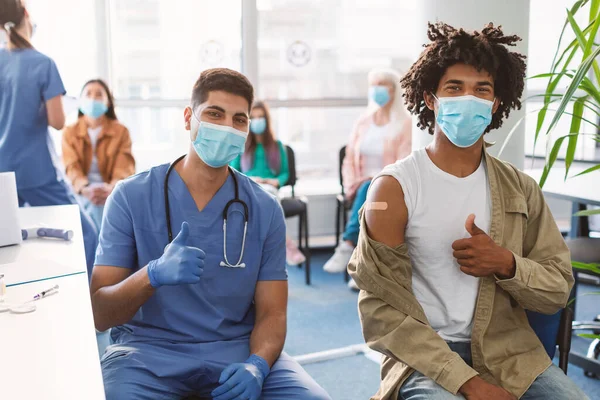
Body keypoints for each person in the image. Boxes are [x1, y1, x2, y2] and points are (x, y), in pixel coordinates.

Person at [348, 22, 588, 400]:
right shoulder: (393, 189)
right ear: (431, 99)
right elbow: (381, 311)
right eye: (454, 88)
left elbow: (557, 289)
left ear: (495, 104)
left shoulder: (520, 189)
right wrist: (470, 385)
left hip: (509, 353)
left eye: (482, 90)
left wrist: (506, 263)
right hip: (424, 358)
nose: (468, 99)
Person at [91, 68, 330, 400]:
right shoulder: (131, 197)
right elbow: (101, 313)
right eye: (214, 114)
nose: (226, 128)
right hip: (147, 355)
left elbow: (273, 313)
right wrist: (153, 275)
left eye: (239, 120)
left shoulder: (264, 208)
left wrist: (258, 365)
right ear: (189, 118)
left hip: (237, 351)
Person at [0, 0, 98, 277]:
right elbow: (57, 122)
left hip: (3, 174)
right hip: (38, 172)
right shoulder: (43, 63)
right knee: (86, 233)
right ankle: (93, 307)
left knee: (9, 243)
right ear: (27, 15)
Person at [323, 67, 412, 286]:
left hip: (390, 187)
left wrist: (378, 181)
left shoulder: (405, 124)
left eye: (383, 85)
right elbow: (349, 159)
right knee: (367, 191)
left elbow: (404, 161)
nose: (377, 90)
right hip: (360, 186)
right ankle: (364, 264)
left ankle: (349, 245)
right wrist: (351, 184)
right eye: (374, 85)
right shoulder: (363, 122)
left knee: (374, 190)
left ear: (393, 90)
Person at [230, 100, 306, 266]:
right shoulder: (241, 145)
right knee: (264, 198)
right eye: (254, 117)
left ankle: (260, 250)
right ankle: (286, 245)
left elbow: (285, 173)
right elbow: (233, 171)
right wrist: (251, 179)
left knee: (268, 195)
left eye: (261, 117)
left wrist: (274, 181)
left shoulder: (277, 146)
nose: (257, 121)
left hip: (271, 188)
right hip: (248, 188)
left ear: (267, 119)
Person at [62, 79, 135, 231]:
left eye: (99, 95)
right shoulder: (69, 131)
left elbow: (124, 166)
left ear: (108, 102)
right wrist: (85, 188)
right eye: (88, 94)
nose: (93, 99)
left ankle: (95, 253)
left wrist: (111, 189)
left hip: (111, 190)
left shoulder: (121, 131)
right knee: (93, 210)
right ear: (81, 100)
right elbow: (71, 166)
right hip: (82, 190)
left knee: (103, 208)